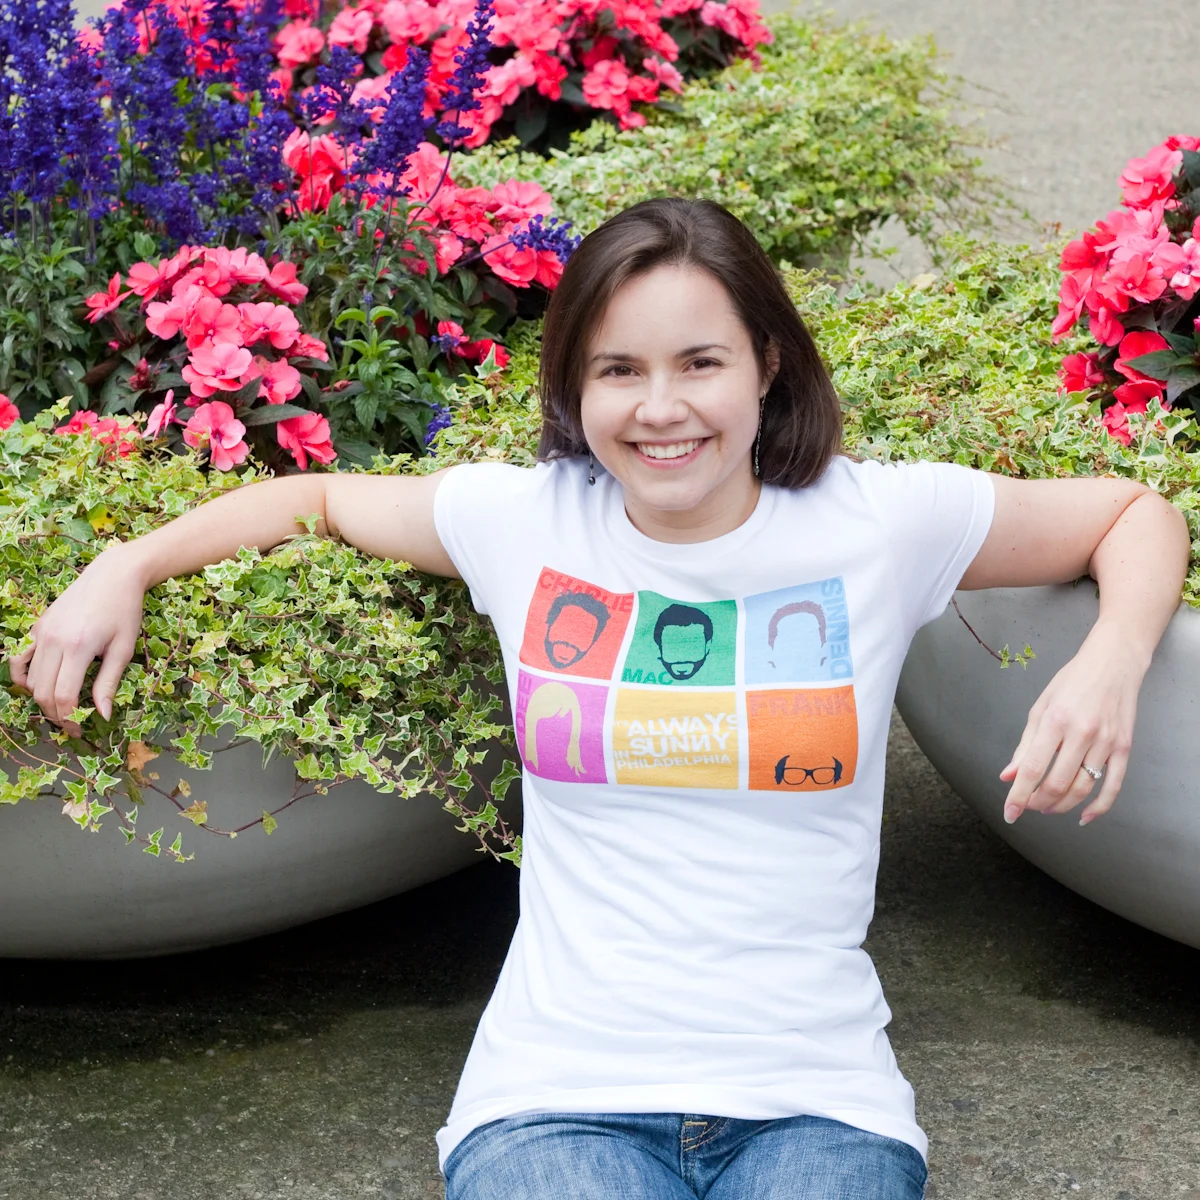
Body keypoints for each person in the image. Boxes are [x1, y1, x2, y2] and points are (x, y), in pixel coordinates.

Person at [8, 198, 1189, 1199]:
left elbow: (1131, 514)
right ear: (576, 385)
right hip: (556, 1098)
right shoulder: (523, 523)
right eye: (619, 370)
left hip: (815, 1097)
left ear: (768, 365)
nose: (659, 408)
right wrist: (127, 564)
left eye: (700, 363)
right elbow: (311, 499)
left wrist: (1108, 662)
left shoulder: (878, 523)